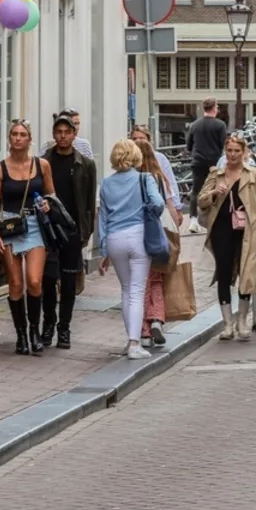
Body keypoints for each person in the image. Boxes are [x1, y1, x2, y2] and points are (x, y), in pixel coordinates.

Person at [0, 120, 56, 356]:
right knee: (15, 283)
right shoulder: (0, 169)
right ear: (9, 139)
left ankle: (35, 331)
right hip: (10, 225)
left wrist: (47, 203)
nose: (18, 138)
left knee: (34, 280)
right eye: (14, 134)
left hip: (35, 224)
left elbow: (51, 193)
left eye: (22, 135)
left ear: (29, 139)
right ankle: (21, 335)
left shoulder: (42, 165)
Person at [198, 135, 256, 342]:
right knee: (223, 273)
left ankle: (241, 320)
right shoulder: (217, 174)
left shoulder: (254, 175)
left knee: (246, 273)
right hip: (222, 230)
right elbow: (201, 201)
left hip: (247, 230)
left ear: (244, 152)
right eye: (229, 151)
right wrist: (214, 192)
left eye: (236, 151)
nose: (232, 155)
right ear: (225, 151)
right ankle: (227, 324)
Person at [97, 139, 166, 360]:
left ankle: (130, 339)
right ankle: (135, 344)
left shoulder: (106, 184)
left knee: (126, 290)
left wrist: (103, 249)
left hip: (115, 238)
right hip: (138, 235)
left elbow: (103, 218)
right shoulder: (144, 179)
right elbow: (159, 204)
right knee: (137, 290)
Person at [42, 115, 98, 349]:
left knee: (68, 282)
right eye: (59, 132)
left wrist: (85, 233)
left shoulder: (85, 164)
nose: (63, 136)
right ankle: (48, 325)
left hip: (72, 230)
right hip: (47, 229)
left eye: (67, 132)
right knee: (46, 280)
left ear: (74, 135)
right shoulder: (44, 162)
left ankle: (64, 329)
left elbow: (88, 202)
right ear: (54, 135)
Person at [136, 138, 174, 348]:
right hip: (159, 236)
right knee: (157, 279)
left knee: (142, 283)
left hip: (139, 234)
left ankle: (144, 330)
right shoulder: (160, 178)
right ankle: (158, 319)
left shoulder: (135, 179)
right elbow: (169, 204)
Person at [186, 98, 228, 234]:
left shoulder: (195, 125)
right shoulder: (220, 125)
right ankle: (214, 220)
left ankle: (193, 220)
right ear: (215, 108)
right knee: (217, 190)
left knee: (196, 191)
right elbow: (225, 145)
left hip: (198, 162)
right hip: (215, 163)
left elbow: (189, 146)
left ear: (203, 108)